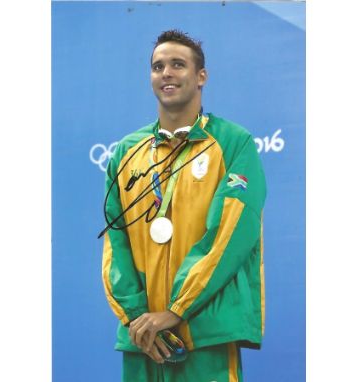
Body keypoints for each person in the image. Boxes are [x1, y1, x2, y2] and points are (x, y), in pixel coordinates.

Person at [101, 29, 266, 382]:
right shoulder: (126, 152)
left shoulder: (233, 144)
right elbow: (116, 245)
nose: (167, 73)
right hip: (143, 338)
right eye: (158, 66)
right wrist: (138, 318)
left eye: (178, 64)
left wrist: (177, 310)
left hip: (205, 333)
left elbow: (230, 235)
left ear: (201, 76)